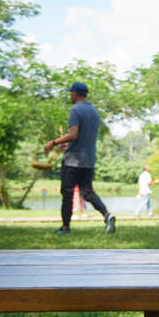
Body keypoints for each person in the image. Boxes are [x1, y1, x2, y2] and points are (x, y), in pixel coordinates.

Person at [44, 82, 116, 234]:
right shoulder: (94, 112)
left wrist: (54, 142)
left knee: (67, 193)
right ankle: (107, 215)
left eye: (71, 93)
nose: (70, 95)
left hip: (73, 161)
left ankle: (65, 227)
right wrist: (67, 145)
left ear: (75, 94)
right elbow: (83, 137)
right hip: (88, 160)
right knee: (87, 192)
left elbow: (73, 134)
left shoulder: (75, 110)